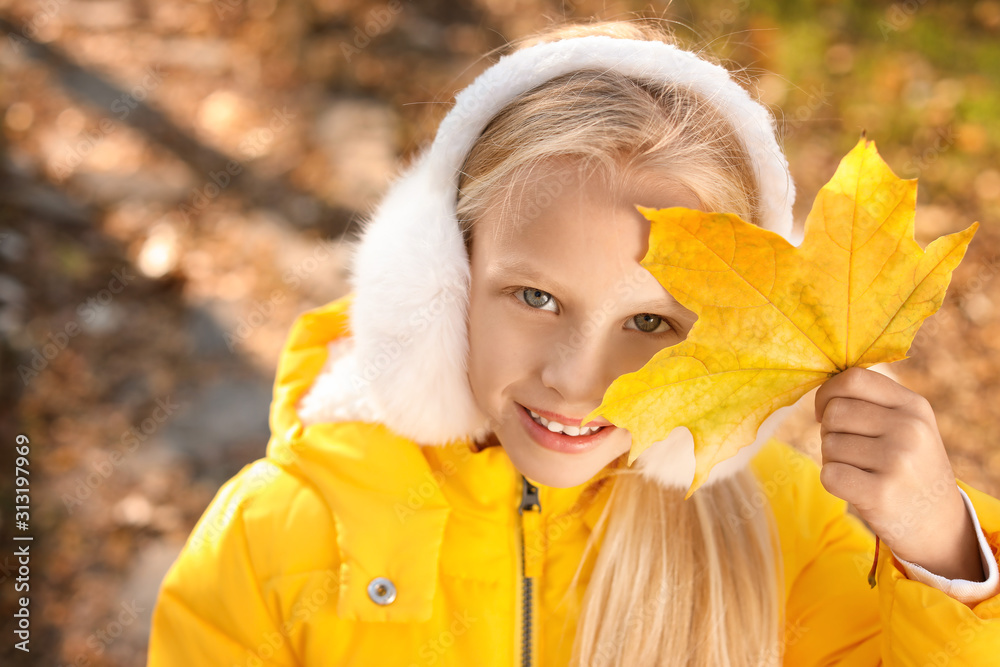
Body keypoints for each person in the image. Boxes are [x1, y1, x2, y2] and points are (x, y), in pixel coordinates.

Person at [147, 19, 1000, 666]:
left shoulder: (788, 534)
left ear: (734, 339)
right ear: (439, 276)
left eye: (650, 322)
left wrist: (941, 551)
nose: (576, 380)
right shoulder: (275, 536)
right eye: (535, 296)